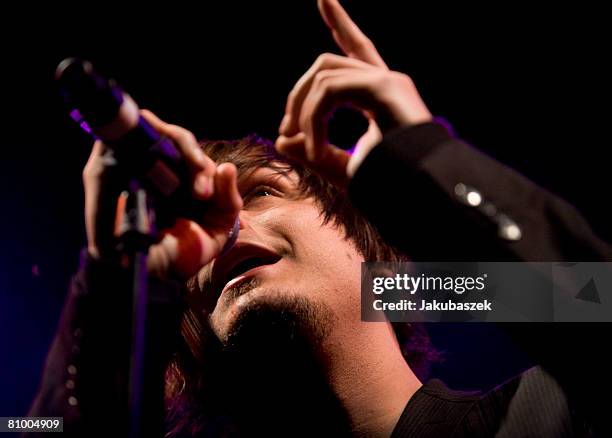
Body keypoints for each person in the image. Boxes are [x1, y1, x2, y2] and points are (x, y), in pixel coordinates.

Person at [28, 0, 612, 437]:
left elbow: (589, 300)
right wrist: (113, 282)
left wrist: (424, 164)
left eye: (260, 193)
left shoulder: (542, 418)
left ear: (370, 250)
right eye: (192, 229)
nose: (223, 229)